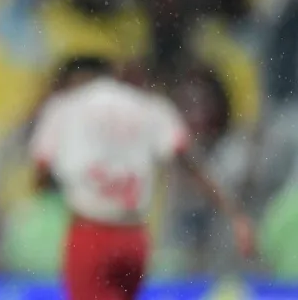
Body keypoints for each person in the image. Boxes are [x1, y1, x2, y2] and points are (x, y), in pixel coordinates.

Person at [28, 56, 254, 300]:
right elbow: (191, 164)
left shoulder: (65, 106)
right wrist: (235, 214)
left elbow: (41, 172)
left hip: (90, 232)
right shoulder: (150, 107)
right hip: (133, 236)